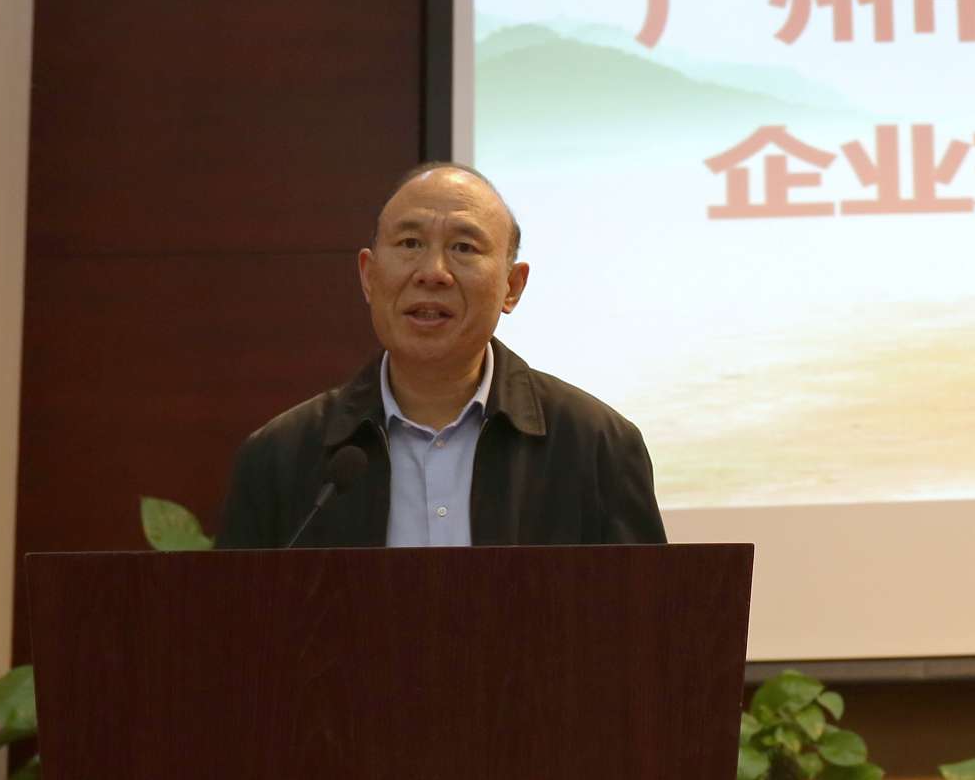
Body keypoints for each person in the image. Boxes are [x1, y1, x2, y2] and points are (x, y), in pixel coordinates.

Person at [217, 161, 665, 548]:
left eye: (463, 247)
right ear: (369, 276)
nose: (432, 273)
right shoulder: (280, 458)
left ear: (512, 287)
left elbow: (643, 615)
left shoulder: (596, 448)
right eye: (410, 244)